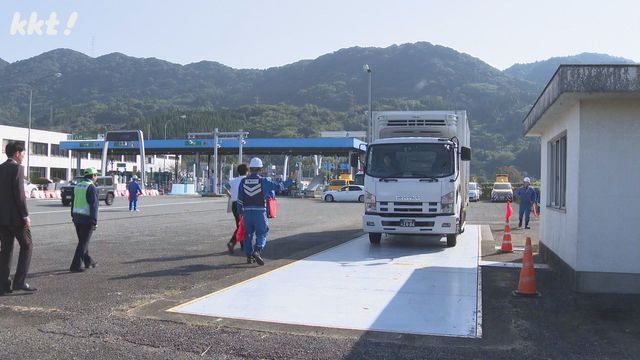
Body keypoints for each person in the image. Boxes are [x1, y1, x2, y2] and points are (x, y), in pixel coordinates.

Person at [237, 157, 295, 265]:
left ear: (250, 168)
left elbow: (240, 199)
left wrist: (240, 213)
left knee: (247, 235)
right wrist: (290, 180)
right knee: (262, 233)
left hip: (247, 213)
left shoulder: (243, 181)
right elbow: (279, 187)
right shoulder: (264, 181)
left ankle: (249, 256)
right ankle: (257, 251)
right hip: (260, 212)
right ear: (261, 169)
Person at [0, 142, 36, 294]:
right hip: (16, 218)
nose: (23, 156)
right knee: (27, 245)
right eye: (23, 153)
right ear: (16, 153)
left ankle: (3, 285)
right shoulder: (17, 168)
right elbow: (19, 195)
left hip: (2, 218)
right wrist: (25, 215)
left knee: (6, 250)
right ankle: (19, 282)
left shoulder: (0, 168)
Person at [69, 167, 100, 272]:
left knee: (83, 241)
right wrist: (94, 221)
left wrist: (72, 215)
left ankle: (88, 261)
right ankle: (75, 266)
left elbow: (73, 202)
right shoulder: (91, 187)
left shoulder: (78, 186)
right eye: (96, 175)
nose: (97, 177)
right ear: (93, 176)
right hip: (86, 219)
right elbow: (94, 206)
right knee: (83, 243)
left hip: (77, 217)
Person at [225, 163, 248, 254]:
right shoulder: (247, 180)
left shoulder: (232, 180)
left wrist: (231, 195)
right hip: (244, 204)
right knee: (243, 225)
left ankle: (241, 244)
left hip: (234, 204)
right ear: (247, 171)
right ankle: (233, 242)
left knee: (240, 225)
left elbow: (225, 188)